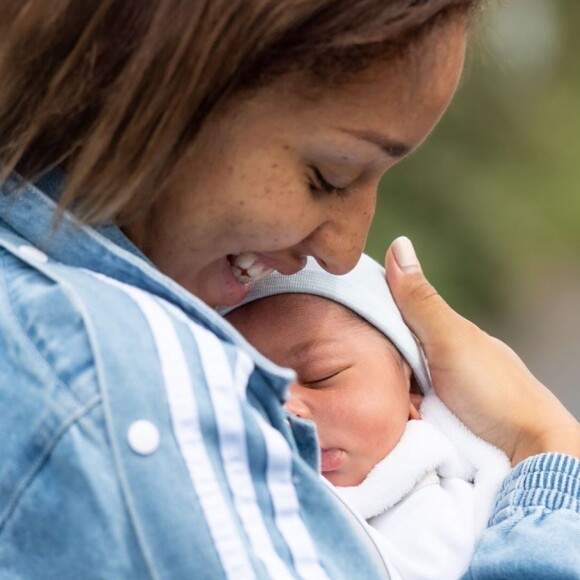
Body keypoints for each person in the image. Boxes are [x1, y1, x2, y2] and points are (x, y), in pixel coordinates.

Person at [0, 1, 577, 578]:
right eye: (328, 175)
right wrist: (548, 442)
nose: (347, 249)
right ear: (169, 80)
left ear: (413, 394)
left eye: (323, 375)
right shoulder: (125, 386)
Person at [223, 254, 512, 579]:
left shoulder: (489, 504)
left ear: (411, 389)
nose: (287, 411)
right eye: (254, 400)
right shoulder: (239, 527)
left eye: (321, 375)